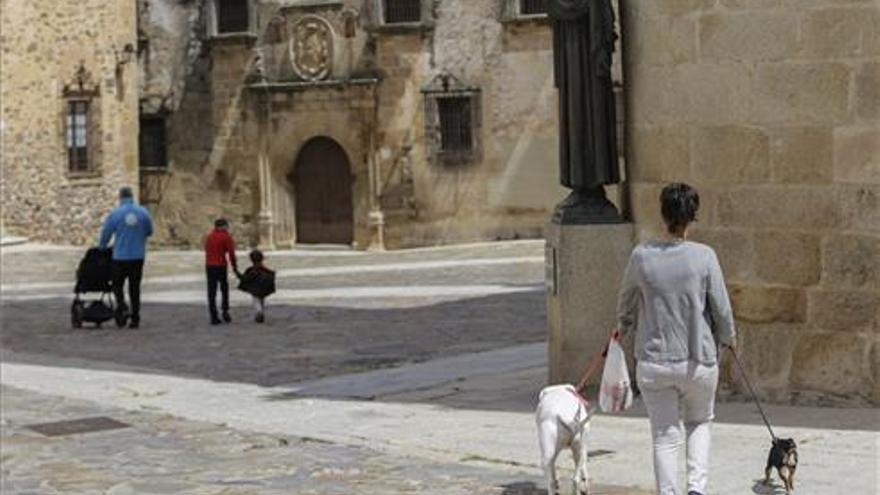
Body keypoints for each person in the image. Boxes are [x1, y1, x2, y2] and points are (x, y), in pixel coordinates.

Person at [615, 182, 736, 495]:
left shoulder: (641, 257)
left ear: (662, 214)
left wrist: (622, 329)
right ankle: (696, 489)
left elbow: (625, 303)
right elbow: (721, 307)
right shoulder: (705, 256)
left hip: (654, 362)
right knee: (699, 422)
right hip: (698, 360)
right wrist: (729, 337)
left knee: (664, 435)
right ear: (692, 217)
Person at [99, 186, 153, 329]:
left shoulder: (115, 214)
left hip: (120, 257)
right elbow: (149, 231)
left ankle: (122, 307)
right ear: (132, 196)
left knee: (117, 286)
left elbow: (106, 233)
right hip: (138, 256)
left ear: (120, 198)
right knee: (135, 288)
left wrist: (102, 247)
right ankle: (135, 318)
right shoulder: (143, 212)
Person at [204, 218, 237, 325]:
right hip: (221, 266)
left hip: (209, 266)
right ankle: (225, 311)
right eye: (227, 226)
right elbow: (231, 253)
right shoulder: (225, 236)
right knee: (224, 289)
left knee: (211, 292)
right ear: (223, 226)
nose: (228, 228)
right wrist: (234, 267)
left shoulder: (209, 237)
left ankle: (213, 316)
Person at [237, 249, 275, 323]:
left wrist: (238, 274)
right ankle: (261, 312)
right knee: (261, 299)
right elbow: (271, 275)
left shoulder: (251, 270)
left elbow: (245, 278)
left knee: (256, 299)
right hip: (263, 288)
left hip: (255, 289)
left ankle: (259, 311)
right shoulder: (265, 270)